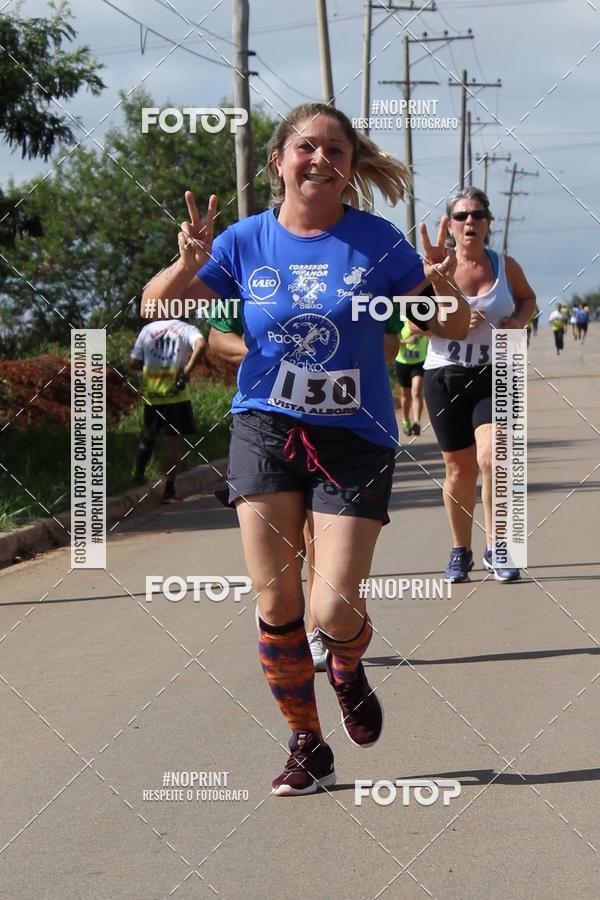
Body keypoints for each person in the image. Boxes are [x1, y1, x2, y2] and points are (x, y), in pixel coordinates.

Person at [141, 102, 469, 795]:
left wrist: (440, 279)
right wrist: (184, 264)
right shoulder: (242, 240)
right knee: (276, 602)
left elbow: (451, 324)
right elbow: (156, 308)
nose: (320, 160)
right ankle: (306, 743)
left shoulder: (378, 243)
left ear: (350, 169)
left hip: (354, 436)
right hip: (264, 428)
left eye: (336, 151)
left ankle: (346, 668)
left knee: (332, 609)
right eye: (306, 148)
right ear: (278, 161)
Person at [208, 307, 403, 670]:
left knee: (320, 537)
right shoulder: (247, 256)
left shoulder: (369, 263)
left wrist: (343, 354)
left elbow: (391, 341)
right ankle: (282, 609)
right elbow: (217, 337)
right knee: (282, 543)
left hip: (344, 428)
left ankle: (320, 630)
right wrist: (271, 357)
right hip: (268, 423)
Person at [421, 187, 536, 584]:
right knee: (459, 470)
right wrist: (448, 322)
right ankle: (460, 550)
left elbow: (527, 299)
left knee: (494, 457)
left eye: (478, 215)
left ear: (488, 223)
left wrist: (519, 321)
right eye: (461, 216)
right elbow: (415, 323)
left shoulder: (506, 265)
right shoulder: (435, 268)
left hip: (496, 372)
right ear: (449, 225)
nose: (470, 222)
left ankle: (499, 546)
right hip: (444, 374)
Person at [130, 318, 206, 502]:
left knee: (149, 436)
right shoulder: (186, 329)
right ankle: (169, 491)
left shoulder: (147, 329)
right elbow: (201, 345)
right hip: (177, 396)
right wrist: (187, 370)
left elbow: (133, 362)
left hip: (153, 394)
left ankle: (138, 476)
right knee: (172, 444)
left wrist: (150, 367)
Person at [395, 319, 428, 436]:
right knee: (405, 395)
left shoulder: (424, 317)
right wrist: (405, 341)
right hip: (402, 362)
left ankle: (417, 422)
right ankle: (405, 420)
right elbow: (392, 340)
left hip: (419, 362)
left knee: (417, 391)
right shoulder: (399, 318)